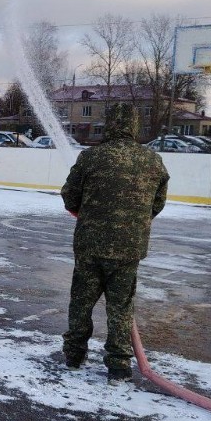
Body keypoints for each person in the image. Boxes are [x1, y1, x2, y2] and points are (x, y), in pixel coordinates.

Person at [60, 103, 169, 383]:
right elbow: (157, 203)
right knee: (121, 308)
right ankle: (119, 366)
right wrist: (133, 223)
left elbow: (70, 195)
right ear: (134, 125)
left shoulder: (91, 157)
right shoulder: (152, 161)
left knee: (81, 302)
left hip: (90, 246)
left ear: (109, 124)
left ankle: (74, 354)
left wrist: (86, 213)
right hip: (128, 248)